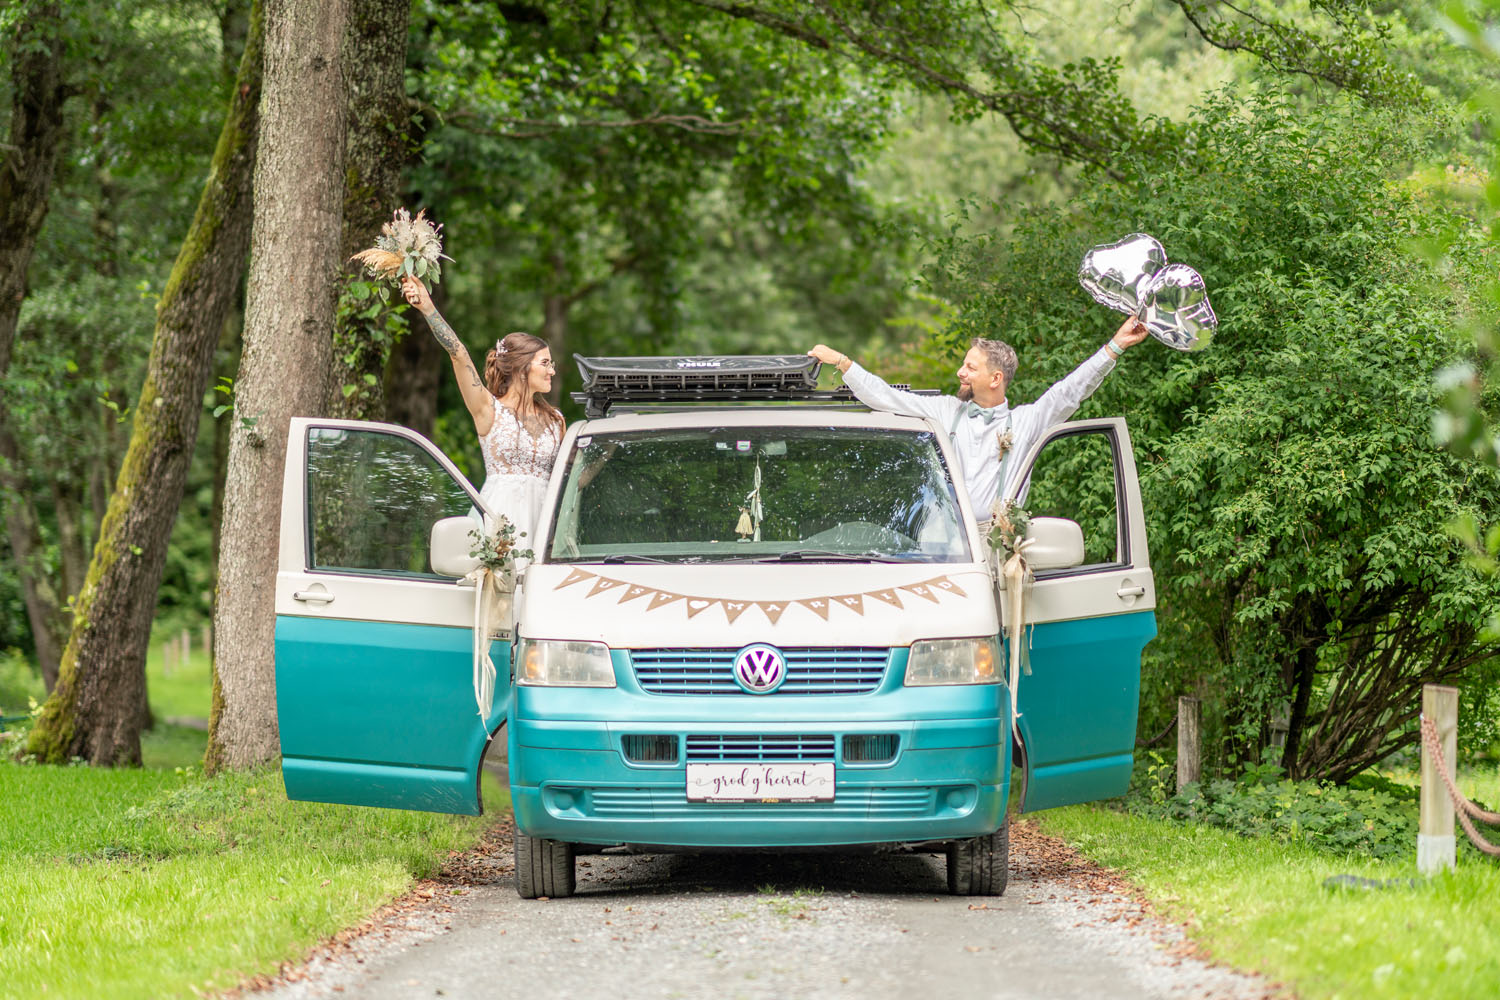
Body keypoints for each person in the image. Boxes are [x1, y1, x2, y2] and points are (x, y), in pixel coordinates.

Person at [808, 315, 1148, 521]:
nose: (960, 372)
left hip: (996, 550)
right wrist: (844, 363)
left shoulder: (1026, 422)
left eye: (970, 367)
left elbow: (1069, 391)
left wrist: (1115, 347)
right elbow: (887, 397)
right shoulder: (945, 410)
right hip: (942, 549)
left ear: (995, 378)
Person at [401, 276, 563, 558]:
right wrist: (428, 308)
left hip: (547, 527)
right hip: (499, 525)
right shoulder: (488, 409)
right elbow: (459, 355)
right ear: (522, 367)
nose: (552, 371)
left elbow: (571, 480)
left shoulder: (556, 420)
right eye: (545, 363)